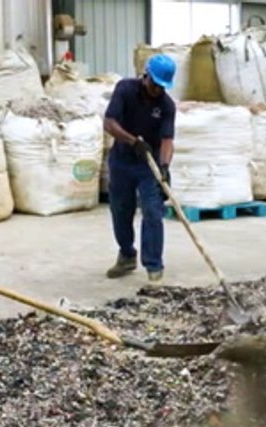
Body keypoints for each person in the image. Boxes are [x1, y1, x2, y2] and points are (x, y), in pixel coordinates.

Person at [103, 54, 176, 283]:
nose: (158, 90)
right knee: (120, 210)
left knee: (153, 212)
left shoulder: (167, 105)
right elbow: (109, 123)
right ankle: (126, 254)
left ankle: (154, 265)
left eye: (162, 87)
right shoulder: (125, 89)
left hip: (148, 165)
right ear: (146, 77)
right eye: (155, 85)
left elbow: (167, 140)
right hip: (123, 160)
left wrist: (163, 168)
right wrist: (133, 141)